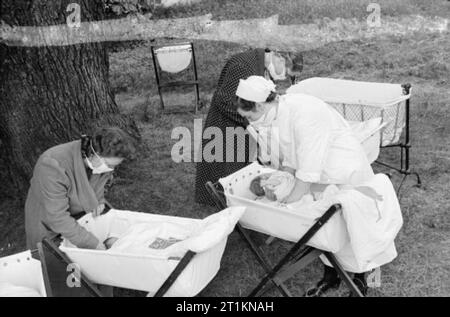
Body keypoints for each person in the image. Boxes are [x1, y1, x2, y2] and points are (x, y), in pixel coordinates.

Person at [235, 76, 375, 296]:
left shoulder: (305, 113)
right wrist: (284, 177)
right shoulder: (280, 112)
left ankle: (359, 279)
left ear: (260, 105)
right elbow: (293, 153)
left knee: (352, 226)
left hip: (343, 170)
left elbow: (307, 172)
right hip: (320, 174)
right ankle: (331, 276)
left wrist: (285, 201)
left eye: (250, 115)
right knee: (326, 228)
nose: (250, 122)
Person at [194, 48, 303, 206]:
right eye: (286, 73)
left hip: (244, 123)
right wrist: (250, 119)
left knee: (239, 165)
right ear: (279, 58)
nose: (284, 78)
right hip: (227, 125)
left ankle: (236, 201)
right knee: (225, 166)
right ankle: (220, 201)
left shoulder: (259, 66)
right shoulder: (242, 66)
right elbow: (224, 100)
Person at [25, 127, 136, 251]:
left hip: (82, 220)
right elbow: (57, 217)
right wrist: (94, 244)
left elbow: (97, 187)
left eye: (114, 166)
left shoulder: (97, 162)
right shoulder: (52, 165)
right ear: (94, 154)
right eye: (109, 165)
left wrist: (99, 201)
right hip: (51, 228)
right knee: (61, 266)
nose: (110, 169)